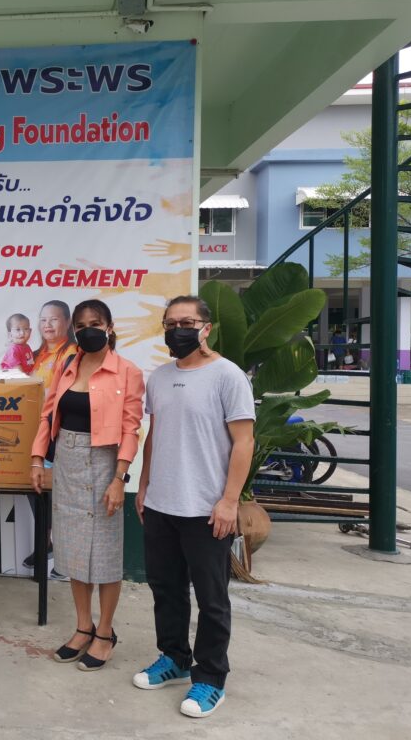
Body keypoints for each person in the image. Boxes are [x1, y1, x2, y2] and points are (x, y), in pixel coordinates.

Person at [133, 295, 254, 719]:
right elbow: (156, 433)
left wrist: (229, 501)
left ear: (206, 328)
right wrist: (144, 484)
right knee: (165, 589)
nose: (177, 330)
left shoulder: (228, 376)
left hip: (206, 508)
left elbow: (244, 442)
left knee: (211, 598)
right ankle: (175, 658)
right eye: (170, 323)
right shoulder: (160, 377)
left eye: (186, 322)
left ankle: (211, 679)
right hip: (161, 503)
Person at [30, 299, 144, 672]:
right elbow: (48, 414)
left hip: (104, 464)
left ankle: (105, 633)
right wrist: (37, 459)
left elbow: (131, 428)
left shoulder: (127, 371)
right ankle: (83, 627)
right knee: (74, 550)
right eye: (80, 325)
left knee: (105, 554)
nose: (87, 330)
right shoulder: (67, 366)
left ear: (110, 327)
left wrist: (119, 478)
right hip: (67, 462)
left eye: (95, 323)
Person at [23, 300, 79, 575]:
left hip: (61, 431)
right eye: (43, 319)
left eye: (54, 319)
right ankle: (45, 543)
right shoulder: (34, 355)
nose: (47, 324)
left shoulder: (74, 354)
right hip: (35, 430)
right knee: (37, 488)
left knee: (62, 493)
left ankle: (64, 554)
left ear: (67, 323)